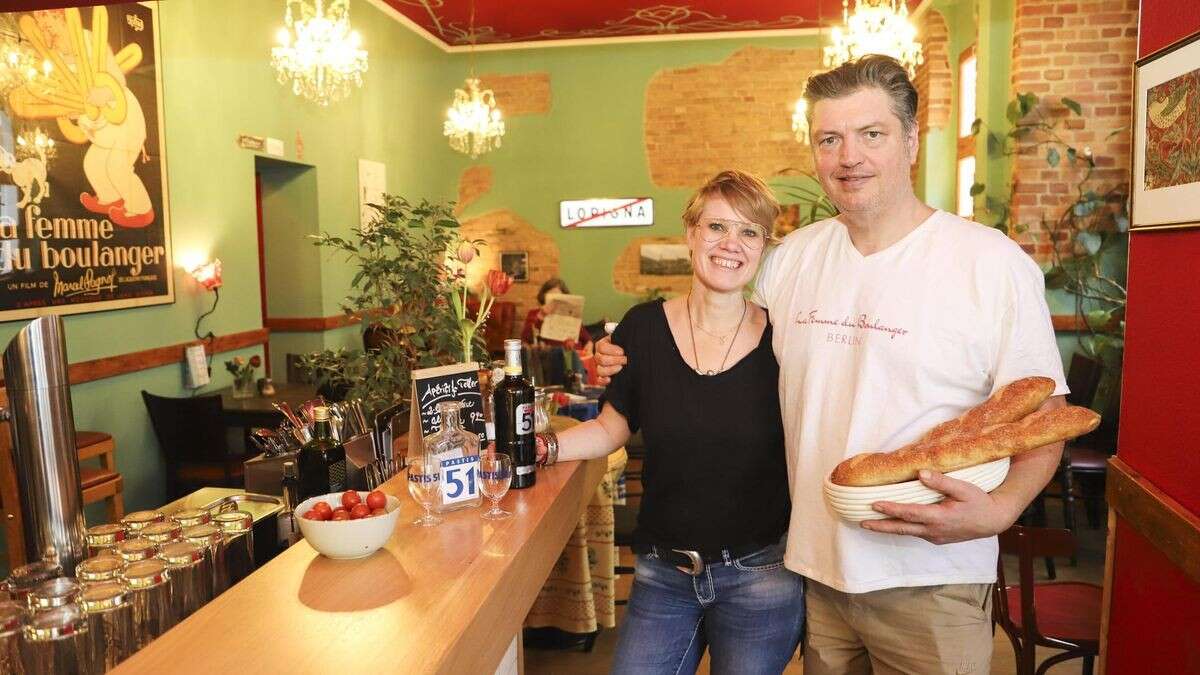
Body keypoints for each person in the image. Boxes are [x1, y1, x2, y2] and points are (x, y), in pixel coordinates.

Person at [596, 55, 1068, 675]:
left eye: (871, 134)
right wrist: (632, 352)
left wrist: (1004, 507)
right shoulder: (793, 259)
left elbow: (1045, 415)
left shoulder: (988, 263)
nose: (849, 156)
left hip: (930, 578)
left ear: (910, 140)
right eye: (829, 139)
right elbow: (722, 340)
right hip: (817, 575)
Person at [535, 171, 804, 674]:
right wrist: (541, 447)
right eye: (717, 227)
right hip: (663, 574)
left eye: (749, 232)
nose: (731, 244)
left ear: (764, 247)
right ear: (690, 234)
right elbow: (612, 428)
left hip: (760, 575)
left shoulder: (785, 337)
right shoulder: (642, 327)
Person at [521, 278, 592, 349]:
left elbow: (587, 339)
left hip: (573, 354)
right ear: (543, 297)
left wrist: (589, 345)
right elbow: (525, 339)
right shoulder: (534, 314)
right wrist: (541, 316)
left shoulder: (570, 316)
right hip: (549, 355)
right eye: (551, 299)